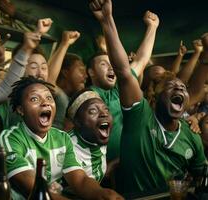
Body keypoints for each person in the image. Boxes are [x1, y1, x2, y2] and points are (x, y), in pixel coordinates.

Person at [89, 0, 207, 195]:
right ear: (156, 96)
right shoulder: (140, 117)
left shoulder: (190, 134)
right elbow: (125, 72)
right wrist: (107, 20)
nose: (179, 88)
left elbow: (200, 174)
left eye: (182, 88)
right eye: (170, 86)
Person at [0, 76, 123, 200]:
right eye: (34, 99)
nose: (45, 102)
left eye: (49, 98)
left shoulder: (62, 138)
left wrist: (102, 194)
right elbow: (35, 190)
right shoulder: (10, 139)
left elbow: (80, 180)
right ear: (21, 109)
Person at [87, 10, 159, 162]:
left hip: (132, 165)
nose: (111, 67)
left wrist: (152, 27)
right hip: (101, 172)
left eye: (111, 63)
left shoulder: (120, 89)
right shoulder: (88, 96)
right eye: (103, 64)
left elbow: (141, 60)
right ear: (91, 72)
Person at [66, 89, 113, 183]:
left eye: (106, 109)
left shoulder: (96, 136)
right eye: (93, 111)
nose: (104, 114)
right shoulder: (67, 148)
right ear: (78, 121)